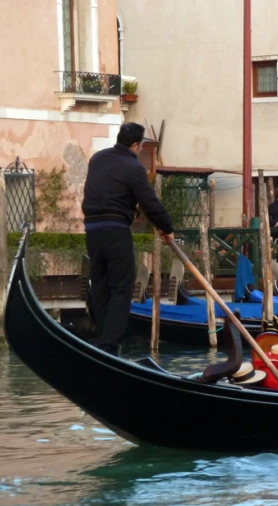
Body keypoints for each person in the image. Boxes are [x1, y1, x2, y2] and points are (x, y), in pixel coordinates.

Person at [82, 122, 174, 355]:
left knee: (101, 285)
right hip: (115, 229)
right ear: (135, 145)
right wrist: (167, 227)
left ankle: (102, 338)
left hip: (92, 229)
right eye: (141, 145)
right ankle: (109, 346)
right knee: (122, 288)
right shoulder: (133, 167)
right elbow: (149, 202)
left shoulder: (98, 159)